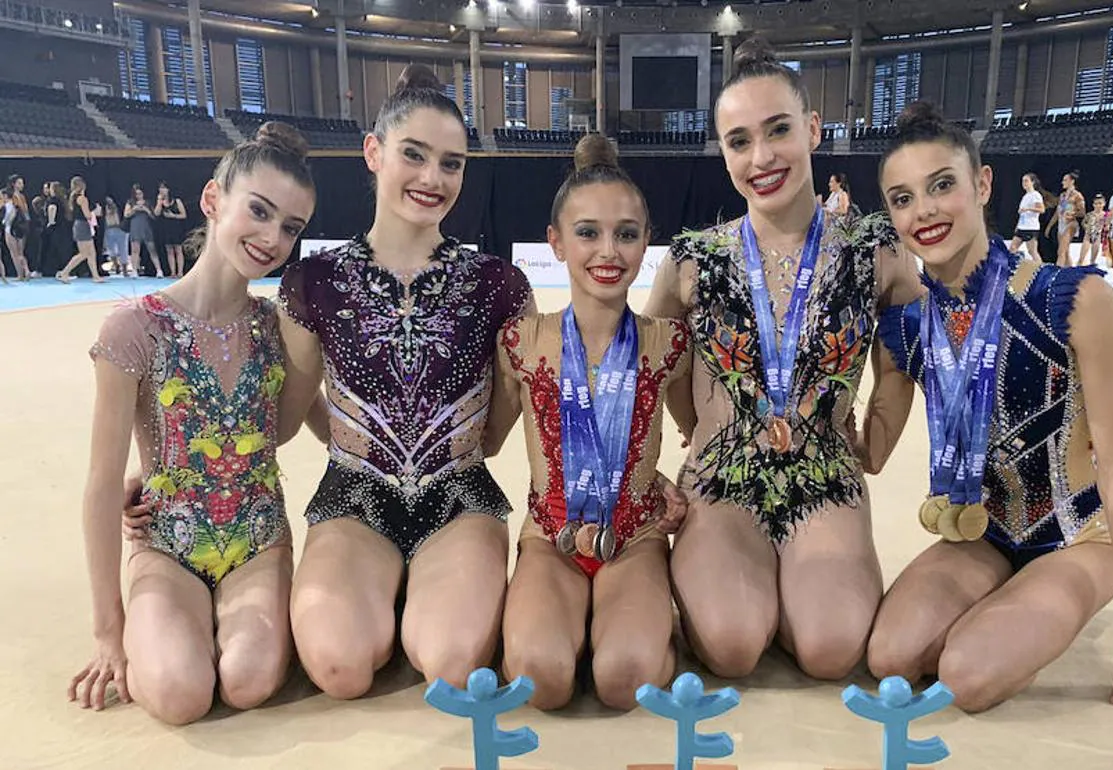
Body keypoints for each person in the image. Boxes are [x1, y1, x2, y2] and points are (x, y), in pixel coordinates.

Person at [857, 100, 1113, 712]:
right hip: (983, 530)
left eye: (942, 186)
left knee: (964, 676)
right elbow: (870, 453)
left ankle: (1045, 595)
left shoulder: (1072, 299)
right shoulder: (906, 329)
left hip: (1078, 536)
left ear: (982, 183)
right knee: (889, 655)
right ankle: (1010, 594)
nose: (926, 211)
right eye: (903, 198)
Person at [644, 37, 921, 681]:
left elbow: (903, 357)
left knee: (832, 647)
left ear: (813, 130)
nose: (761, 157)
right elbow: (652, 366)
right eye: (739, 141)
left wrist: (876, 442)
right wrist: (688, 433)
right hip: (721, 478)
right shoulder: (692, 258)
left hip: (826, 473)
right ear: (723, 151)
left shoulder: (872, 249)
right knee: (733, 644)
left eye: (778, 131)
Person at [275, 64, 533, 699]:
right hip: (354, 497)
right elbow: (295, 405)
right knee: (338, 668)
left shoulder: (498, 285)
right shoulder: (314, 282)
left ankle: (423, 597)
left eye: (452, 163)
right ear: (374, 152)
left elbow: (499, 426)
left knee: (448, 665)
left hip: (459, 498)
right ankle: (383, 597)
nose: (432, 178)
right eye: (413, 156)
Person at [68, 123, 319, 723]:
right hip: (167, 544)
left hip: (258, 539)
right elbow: (103, 484)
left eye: (291, 227)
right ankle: (169, 622)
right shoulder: (134, 328)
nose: (271, 238)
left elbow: (308, 430)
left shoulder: (277, 326)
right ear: (213, 200)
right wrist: (109, 629)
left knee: (249, 680)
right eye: (259, 211)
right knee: (178, 695)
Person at [492, 134, 692, 711]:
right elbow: (485, 438)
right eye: (588, 233)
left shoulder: (670, 344)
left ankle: (648, 630)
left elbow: (700, 432)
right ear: (555, 242)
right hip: (550, 538)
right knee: (539, 680)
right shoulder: (522, 341)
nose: (609, 251)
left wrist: (666, 483)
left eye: (626, 234)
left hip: (635, 537)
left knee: (625, 680)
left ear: (646, 241)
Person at [55, 176, 105, 283]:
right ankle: (64, 272)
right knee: (84, 254)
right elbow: (87, 215)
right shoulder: (82, 199)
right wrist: (96, 212)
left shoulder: (73, 198)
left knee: (92, 253)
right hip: (83, 226)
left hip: (79, 225)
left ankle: (96, 276)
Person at [1008, 172, 1053, 261]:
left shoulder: (1035, 195)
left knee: (1032, 251)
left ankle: (1041, 269)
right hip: (1022, 227)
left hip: (1031, 227)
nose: (1024, 183)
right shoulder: (1025, 196)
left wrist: (1028, 208)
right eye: (1023, 181)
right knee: (1012, 248)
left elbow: (1042, 209)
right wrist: (1017, 226)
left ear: (1032, 182)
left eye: (1026, 181)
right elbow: (1022, 213)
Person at [1045, 170, 1085, 267]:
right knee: (1065, 252)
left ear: (1072, 181)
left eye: (1065, 180)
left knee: (1061, 251)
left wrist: (1073, 214)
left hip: (1070, 224)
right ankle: (1071, 273)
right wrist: (1049, 227)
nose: (1062, 182)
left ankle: (1058, 273)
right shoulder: (1062, 196)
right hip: (1061, 224)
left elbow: (1082, 212)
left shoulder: (1077, 195)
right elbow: (1057, 212)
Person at [1078, 193, 1110, 268]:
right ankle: (1079, 266)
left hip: (1098, 236)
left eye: (1100, 203)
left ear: (1104, 204)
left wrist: (1106, 227)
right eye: (1096, 203)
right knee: (1082, 256)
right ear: (1093, 204)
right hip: (1088, 235)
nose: (1098, 205)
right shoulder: (1090, 214)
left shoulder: (1106, 215)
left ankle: (1091, 267)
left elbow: (1109, 225)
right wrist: (1086, 227)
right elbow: (1083, 223)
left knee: (1093, 259)